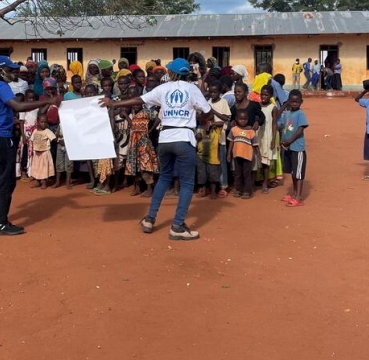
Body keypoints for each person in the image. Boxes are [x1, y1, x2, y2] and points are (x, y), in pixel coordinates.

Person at [102, 58, 211, 241]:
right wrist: (200, 117)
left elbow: (139, 99)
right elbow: (207, 110)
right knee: (186, 183)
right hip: (184, 138)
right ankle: (177, 226)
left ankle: (149, 219)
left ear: (172, 73)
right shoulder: (192, 89)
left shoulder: (163, 88)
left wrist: (113, 104)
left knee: (164, 178)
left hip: (165, 139)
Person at [0, 56, 48, 236]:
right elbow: (18, 106)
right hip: (0, 138)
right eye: (11, 70)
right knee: (6, 180)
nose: (14, 73)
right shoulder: (1, 86)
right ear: (1, 70)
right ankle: (1, 223)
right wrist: (46, 102)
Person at [278, 89, 309, 206]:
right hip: (288, 148)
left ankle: (298, 197)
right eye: (292, 101)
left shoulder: (300, 114)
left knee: (298, 173)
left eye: (297, 102)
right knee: (292, 172)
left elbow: (300, 130)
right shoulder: (287, 113)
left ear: (301, 102)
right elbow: (283, 126)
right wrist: (283, 141)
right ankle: (294, 193)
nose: (294, 103)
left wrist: (289, 141)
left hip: (297, 148)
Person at [227, 108, 257, 199]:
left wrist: (258, 154)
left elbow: (255, 144)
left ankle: (247, 191)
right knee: (237, 174)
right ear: (236, 119)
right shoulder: (234, 130)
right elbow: (231, 142)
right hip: (237, 156)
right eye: (241, 119)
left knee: (247, 174)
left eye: (245, 119)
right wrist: (229, 154)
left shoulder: (251, 131)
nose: (243, 121)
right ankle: (238, 190)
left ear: (248, 119)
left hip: (247, 156)